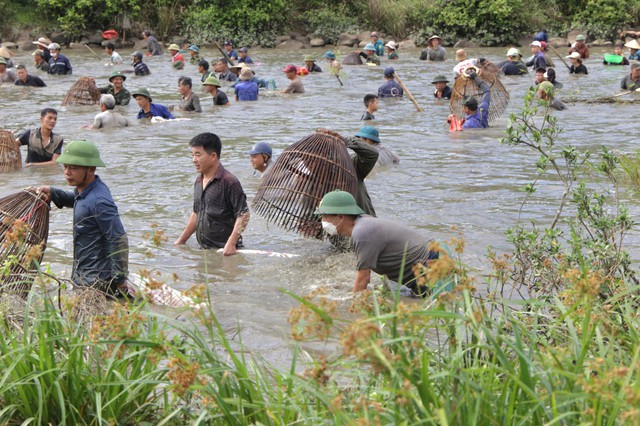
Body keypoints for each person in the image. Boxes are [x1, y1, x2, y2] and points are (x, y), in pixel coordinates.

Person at [37, 140, 129, 296]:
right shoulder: (86, 190)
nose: (67, 172)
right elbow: (78, 201)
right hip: (84, 274)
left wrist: (120, 280)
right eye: (65, 167)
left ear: (91, 169)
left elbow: (118, 239)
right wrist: (53, 193)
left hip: (97, 282)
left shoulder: (99, 201)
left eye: (74, 168)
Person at [314, 190, 439, 296]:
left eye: (324, 215)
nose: (322, 220)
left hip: (427, 266)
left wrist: (354, 308)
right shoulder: (362, 224)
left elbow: (363, 277)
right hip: (428, 258)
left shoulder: (362, 233)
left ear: (340, 217)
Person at [175, 132, 250, 255]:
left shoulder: (229, 182)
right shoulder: (199, 180)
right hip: (205, 251)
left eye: (198, 155)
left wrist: (231, 244)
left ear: (213, 156)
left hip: (225, 252)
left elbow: (244, 215)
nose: (194, 160)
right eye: (192, 155)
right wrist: (180, 241)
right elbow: (196, 212)